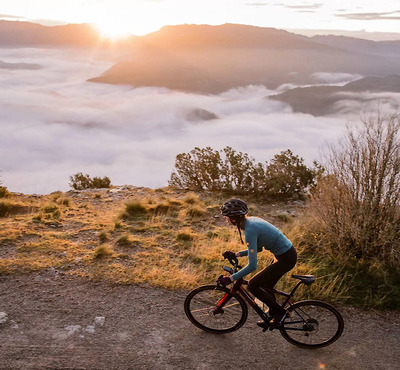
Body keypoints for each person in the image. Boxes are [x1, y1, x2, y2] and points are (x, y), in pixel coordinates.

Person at [218, 198, 297, 328]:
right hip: (285, 255)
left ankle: (280, 313)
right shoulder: (251, 222)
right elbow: (258, 248)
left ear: (234, 218)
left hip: (285, 259)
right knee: (265, 285)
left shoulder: (250, 230)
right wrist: (236, 254)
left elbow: (252, 266)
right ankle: (274, 312)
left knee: (253, 285)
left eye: (227, 217)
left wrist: (231, 278)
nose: (226, 219)